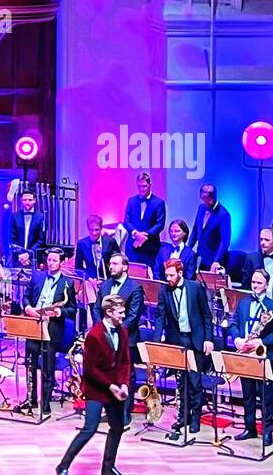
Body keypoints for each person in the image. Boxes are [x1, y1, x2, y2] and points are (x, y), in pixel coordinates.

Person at [56, 294, 131, 475]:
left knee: (118, 426)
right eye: (120, 312)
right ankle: (63, 467)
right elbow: (91, 369)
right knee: (90, 428)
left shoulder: (122, 332)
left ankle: (108, 466)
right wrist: (111, 386)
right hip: (97, 388)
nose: (124, 315)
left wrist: (123, 384)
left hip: (115, 387)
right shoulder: (95, 335)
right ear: (109, 312)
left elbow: (124, 361)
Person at [155, 257, 214, 439]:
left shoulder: (195, 288)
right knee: (181, 382)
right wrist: (157, 342)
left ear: (180, 273)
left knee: (195, 381)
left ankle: (195, 417)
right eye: (166, 275)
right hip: (177, 340)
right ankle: (184, 416)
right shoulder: (164, 290)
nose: (168, 278)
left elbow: (206, 316)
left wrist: (208, 339)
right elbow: (160, 316)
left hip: (194, 339)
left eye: (171, 275)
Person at [231, 269, 273, 447]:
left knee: (266, 396)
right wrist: (237, 338)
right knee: (248, 395)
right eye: (253, 282)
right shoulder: (243, 302)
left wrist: (260, 341)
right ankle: (249, 427)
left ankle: (267, 431)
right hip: (246, 354)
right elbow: (234, 323)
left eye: (259, 283)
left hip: (263, 356)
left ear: (267, 285)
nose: (255, 285)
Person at [21, 247, 75, 415]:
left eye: (54, 261)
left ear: (61, 262)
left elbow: (72, 309)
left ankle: (45, 401)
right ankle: (31, 399)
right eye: (49, 260)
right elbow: (26, 296)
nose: (51, 263)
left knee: (47, 366)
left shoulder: (68, 283)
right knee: (30, 363)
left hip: (51, 327)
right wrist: (28, 307)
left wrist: (59, 312)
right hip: (34, 323)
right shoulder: (37, 276)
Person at [92, 251, 145, 425]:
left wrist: (115, 331)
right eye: (110, 264)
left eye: (115, 264)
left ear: (125, 266)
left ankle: (124, 415)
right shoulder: (105, 286)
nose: (111, 266)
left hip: (125, 339)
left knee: (125, 377)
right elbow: (96, 309)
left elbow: (133, 316)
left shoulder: (135, 287)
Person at [123, 172, 166, 268]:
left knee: (149, 278)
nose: (141, 189)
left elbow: (160, 224)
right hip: (133, 247)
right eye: (139, 187)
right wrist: (136, 234)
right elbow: (126, 221)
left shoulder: (159, 203)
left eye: (144, 186)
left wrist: (144, 235)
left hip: (150, 248)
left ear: (150, 185)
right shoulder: (131, 200)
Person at [188, 184, 231, 273]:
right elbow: (196, 230)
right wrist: (188, 249)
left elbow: (225, 242)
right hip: (200, 256)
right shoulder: (201, 208)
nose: (203, 201)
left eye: (205, 199)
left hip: (214, 259)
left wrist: (216, 261)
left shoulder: (223, 214)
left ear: (212, 197)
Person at [241, 227, 273, 297]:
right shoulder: (251, 258)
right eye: (261, 239)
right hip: (256, 301)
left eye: (266, 240)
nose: (263, 243)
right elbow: (245, 285)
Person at [6, 187, 47, 271]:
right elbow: (12, 238)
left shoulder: (41, 217)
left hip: (34, 258)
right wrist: (20, 254)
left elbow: (41, 240)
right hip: (17, 257)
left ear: (34, 200)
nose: (27, 202)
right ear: (21, 200)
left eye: (29, 200)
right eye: (25, 200)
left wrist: (28, 254)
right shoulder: (15, 216)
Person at [74, 215, 117, 281]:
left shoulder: (110, 242)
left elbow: (118, 263)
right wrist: (88, 278)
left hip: (109, 280)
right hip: (90, 281)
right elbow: (78, 268)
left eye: (97, 230)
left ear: (101, 228)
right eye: (91, 230)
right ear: (88, 228)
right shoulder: (82, 244)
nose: (94, 233)